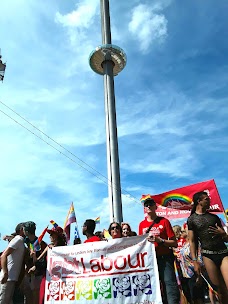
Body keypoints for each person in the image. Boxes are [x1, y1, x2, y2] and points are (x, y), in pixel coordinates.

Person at [188, 191, 228, 304]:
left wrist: (223, 234)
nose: (209, 200)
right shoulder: (192, 219)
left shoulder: (214, 217)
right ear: (199, 201)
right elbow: (192, 241)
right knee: (219, 290)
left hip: (223, 253)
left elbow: (226, 239)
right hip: (208, 255)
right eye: (206, 199)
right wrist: (195, 261)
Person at [138, 195, 180, 304]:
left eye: (151, 204)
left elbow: (174, 243)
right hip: (149, 261)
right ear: (144, 209)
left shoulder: (164, 221)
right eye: (146, 205)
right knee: (153, 286)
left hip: (164, 258)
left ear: (155, 207)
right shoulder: (141, 225)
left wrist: (160, 240)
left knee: (169, 284)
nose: (148, 206)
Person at [29, 225, 67, 304]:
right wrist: (34, 256)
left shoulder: (65, 250)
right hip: (47, 277)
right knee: (43, 298)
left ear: (57, 236)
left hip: (61, 278)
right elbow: (39, 262)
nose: (49, 236)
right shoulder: (48, 247)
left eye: (51, 234)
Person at [0, 223, 25, 304]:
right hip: (8, 277)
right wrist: (5, 273)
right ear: (22, 230)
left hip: (12, 278)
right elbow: (3, 255)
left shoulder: (20, 240)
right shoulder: (18, 239)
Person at [23, 221, 47, 304]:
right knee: (28, 296)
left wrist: (35, 266)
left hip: (38, 274)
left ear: (26, 232)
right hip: (28, 274)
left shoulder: (40, 243)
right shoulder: (25, 241)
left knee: (36, 296)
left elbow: (44, 261)